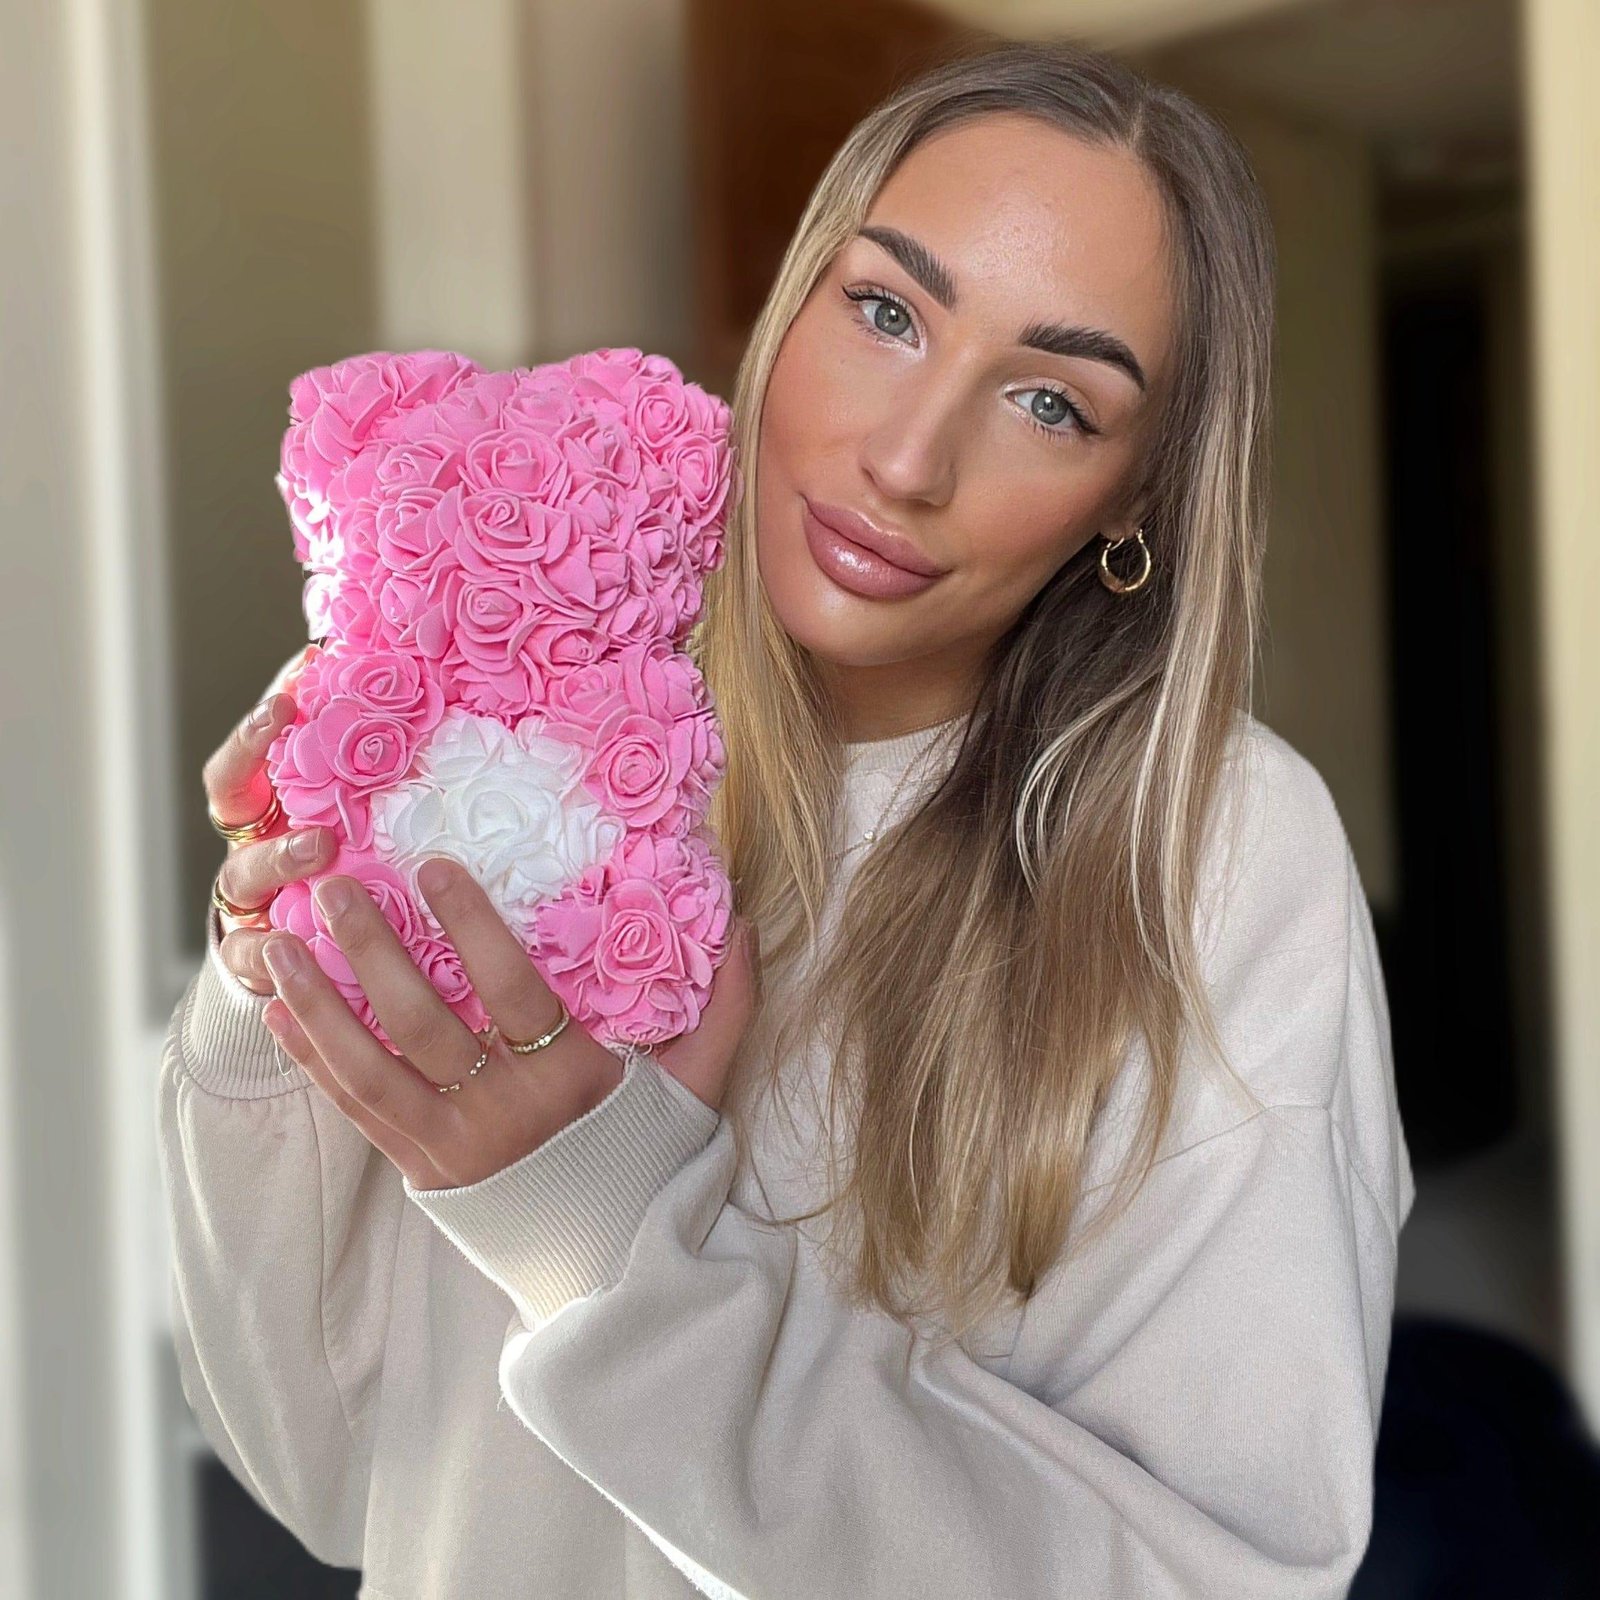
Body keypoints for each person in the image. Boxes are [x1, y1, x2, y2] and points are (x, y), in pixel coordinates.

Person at [156, 38, 1415, 1600]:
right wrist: (279, 979)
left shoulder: (1215, 855)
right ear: (790, 300)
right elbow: (333, 1475)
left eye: (1051, 400)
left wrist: (611, 1237)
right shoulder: (531, 748)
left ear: (1136, 499)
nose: (908, 459)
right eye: (886, 312)